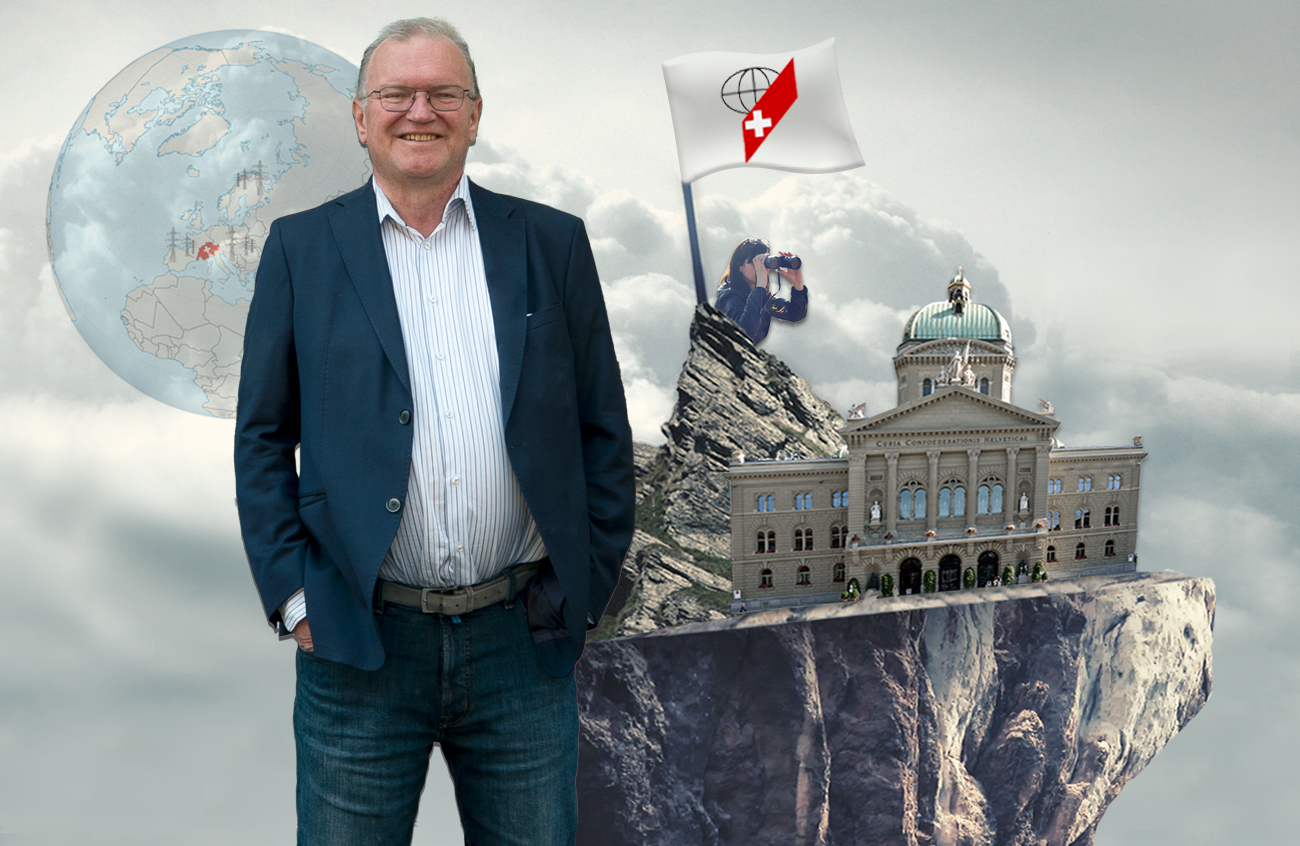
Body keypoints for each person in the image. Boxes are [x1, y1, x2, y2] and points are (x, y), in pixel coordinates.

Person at [233, 17, 635, 845]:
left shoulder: (552, 245)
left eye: (443, 93)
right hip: (357, 642)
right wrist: (297, 600)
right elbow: (262, 439)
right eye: (396, 93)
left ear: (475, 114)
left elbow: (602, 427)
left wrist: (584, 584)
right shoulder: (300, 250)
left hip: (521, 640)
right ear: (360, 115)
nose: (420, 110)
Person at [714, 237, 808, 344]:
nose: (760, 268)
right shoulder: (728, 296)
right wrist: (760, 286)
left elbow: (795, 314)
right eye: (754, 263)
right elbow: (744, 334)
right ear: (739, 266)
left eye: (763, 263)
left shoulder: (757, 294)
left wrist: (798, 284)